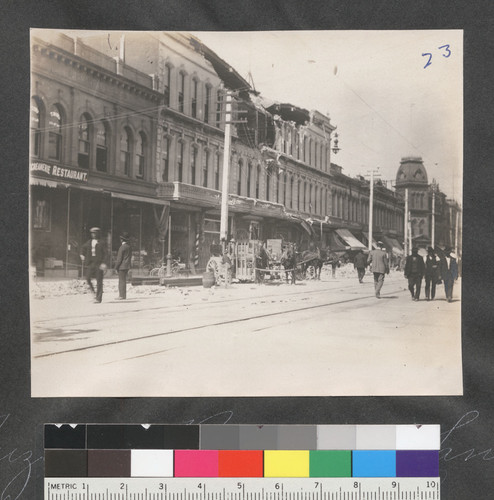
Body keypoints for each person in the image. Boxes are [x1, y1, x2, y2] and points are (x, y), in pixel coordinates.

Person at [80, 227, 107, 303]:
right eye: (92, 233)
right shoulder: (89, 242)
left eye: (95, 233)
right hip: (91, 264)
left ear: (98, 234)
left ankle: (98, 298)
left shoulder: (102, 242)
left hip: (99, 264)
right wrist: (82, 254)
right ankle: (94, 294)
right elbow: (83, 248)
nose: (93, 235)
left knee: (99, 281)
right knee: (88, 278)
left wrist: (104, 263)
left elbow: (106, 254)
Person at [115, 232, 132, 300]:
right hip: (127, 266)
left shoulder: (122, 247)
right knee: (124, 281)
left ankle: (121, 295)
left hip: (121, 266)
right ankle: (124, 295)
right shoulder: (129, 247)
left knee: (121, 281)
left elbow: (119, 259)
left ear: (121, 239)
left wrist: (116, 267)